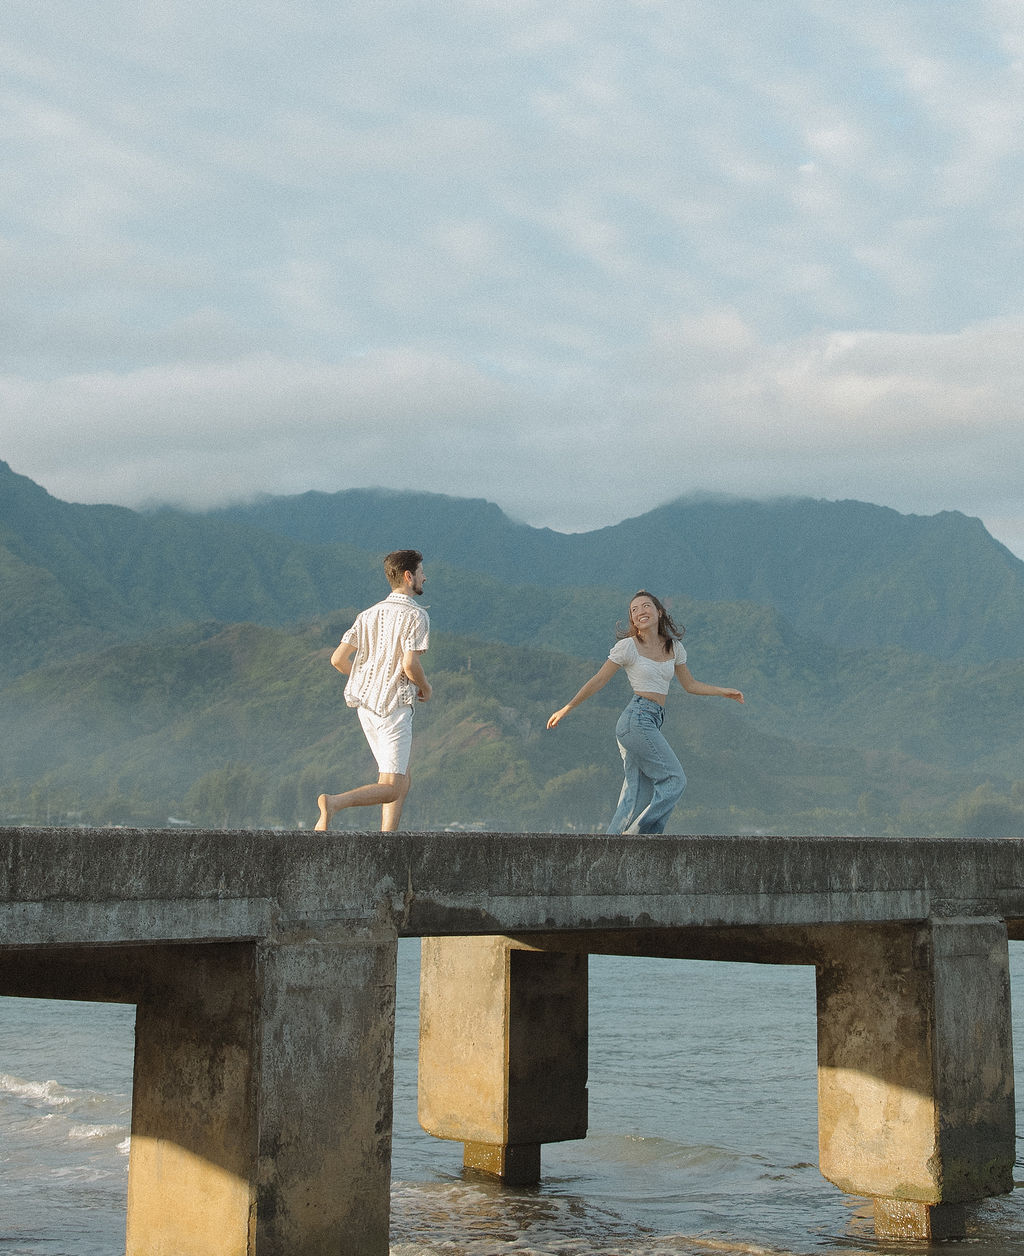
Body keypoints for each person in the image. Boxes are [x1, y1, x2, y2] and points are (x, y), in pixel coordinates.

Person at [547, 590, 744, 834]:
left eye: (645, 606)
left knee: (635, 795)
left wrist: (723, 691)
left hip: (651, 720)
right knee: (674, 780)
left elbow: (690, 685)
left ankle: (610, 848)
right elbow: (598, 680)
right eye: (634, 610)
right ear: (632, 619)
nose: (640, 611)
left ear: (659, 611)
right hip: (636, 720)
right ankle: (642, 838)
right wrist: (567, 708)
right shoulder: (628, 647)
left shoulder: (674, 648)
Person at [316, 549, 431, 832]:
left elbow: (338, 659)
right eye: (421, 572)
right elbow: (409, 664)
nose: (425, 577)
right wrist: (425, 687)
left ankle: (387, 836)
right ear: (408, 576)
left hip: (366, 706)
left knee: (401, 776)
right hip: (393, 706)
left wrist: (370, 677)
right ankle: (334, 803)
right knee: (391, 787)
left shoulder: (367, 615)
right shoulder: (416, 616)